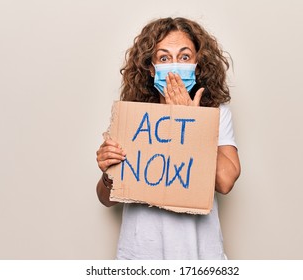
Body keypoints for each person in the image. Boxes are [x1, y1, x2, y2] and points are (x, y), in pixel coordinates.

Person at [96, 17, 241, 259]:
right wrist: (107, 171)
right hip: (141, 255)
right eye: (164, 58)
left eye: (184, 57)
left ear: (197, 64)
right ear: (151, 68)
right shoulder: (133, 119)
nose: (174, 65)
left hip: (199, 255)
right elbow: (106, 199)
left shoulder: (217, 115)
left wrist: (191, 121)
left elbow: (225, 181)